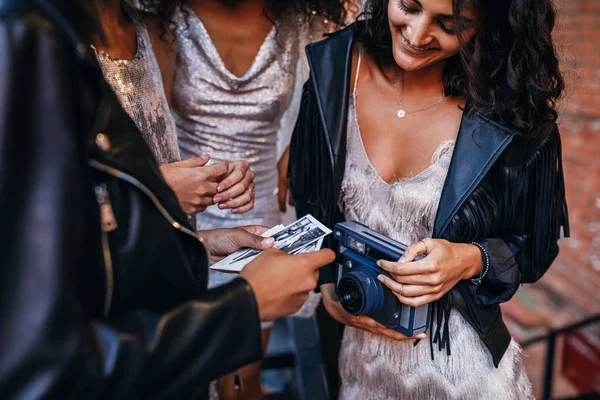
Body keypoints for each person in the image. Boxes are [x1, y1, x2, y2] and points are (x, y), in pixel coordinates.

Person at [0, 1, 335, 399]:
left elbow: (98, 247)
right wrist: (242, 309)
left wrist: (197, 245)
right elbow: (39, 365)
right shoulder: (28, 38)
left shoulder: (119, 24)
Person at [287, 0, 569, 398]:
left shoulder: (511, 109)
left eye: (450, 24)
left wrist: (468, 259)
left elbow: (533, 250)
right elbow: (310, 198)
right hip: (356, 363)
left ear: (487, 25)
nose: (417, 36)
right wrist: (328, 282)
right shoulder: (334, 65)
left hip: (465, 376)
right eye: (408, 6)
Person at [145, 1, 355, 398]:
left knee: (246, 372)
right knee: (202, 366)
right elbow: (155, 132)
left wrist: (300, 141)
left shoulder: (299, 18)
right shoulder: (165, 20)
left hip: (260, 212)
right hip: (191, 209)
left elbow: (363, 48)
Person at [92, 0, 255, 219]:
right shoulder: (57, 44)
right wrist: (158, 189)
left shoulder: (155, 30)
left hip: (172, 240)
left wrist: (219, 177)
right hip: (120, 246)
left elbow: (164, 151)